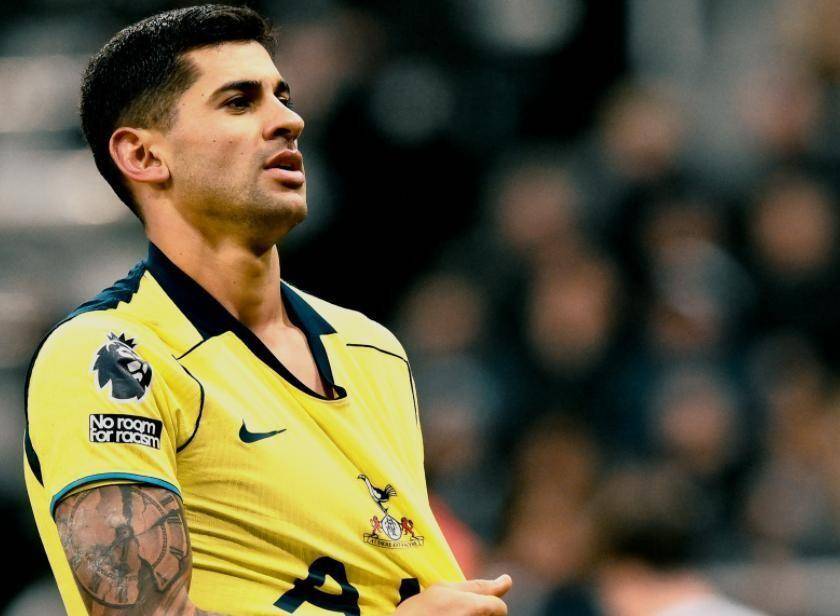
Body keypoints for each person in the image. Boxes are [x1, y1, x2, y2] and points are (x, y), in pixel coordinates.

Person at [22, 5, 511, 615]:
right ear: (143, 156)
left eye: (283, 97)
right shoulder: (109, 357)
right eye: (238, 102)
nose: (288, 120)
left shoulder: (374, 348)